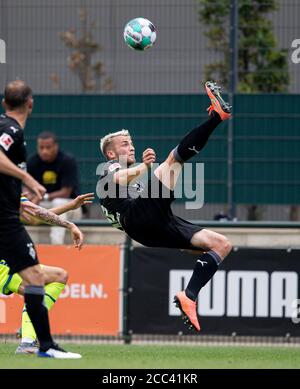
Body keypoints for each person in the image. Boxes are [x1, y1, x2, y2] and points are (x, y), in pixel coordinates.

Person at [97, 81, 232, 332]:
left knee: (221, 245)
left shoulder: (133, 178)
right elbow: (117, 178)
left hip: (151, 228)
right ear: (111, 154)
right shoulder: (110, 168)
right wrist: (145, 168)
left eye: (131, 142)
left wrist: (185, 243)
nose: (131, 146)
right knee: (174, 159)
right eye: (124, 144)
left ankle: (189, 296)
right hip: (136, 220)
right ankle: (217, 117)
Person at [0, 79, 82, 358]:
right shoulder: (9, 129)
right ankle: (40, 345)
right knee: (37, 278)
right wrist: (26, 177)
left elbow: (33, 215)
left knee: (46, 277)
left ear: (4, 103)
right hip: (4, 226)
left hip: (8, 221)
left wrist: (69, 217)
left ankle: (36, 343)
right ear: (31, 103)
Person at [0, 192, 94, 355]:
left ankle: (28, 338)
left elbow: (36, 216)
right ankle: (29, 337)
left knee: (58, 277)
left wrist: (71, 206)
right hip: (5, 264)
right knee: (36, 291)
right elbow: (36, 213)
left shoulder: (10, 188)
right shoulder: (7, 186)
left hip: (9, 261)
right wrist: (70, 224)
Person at [27, 131, 82, 244]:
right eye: (41, 147)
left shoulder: (67, 161)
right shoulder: (32, 161)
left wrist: (41, 196)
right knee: (23, 205)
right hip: (43, 206)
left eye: (48, 147)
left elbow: (66, 192)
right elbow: (25, 188)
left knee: (58, 201)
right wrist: (29, 199)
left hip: (71, 207)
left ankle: (56, 246)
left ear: (56, 146)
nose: (44, 151)